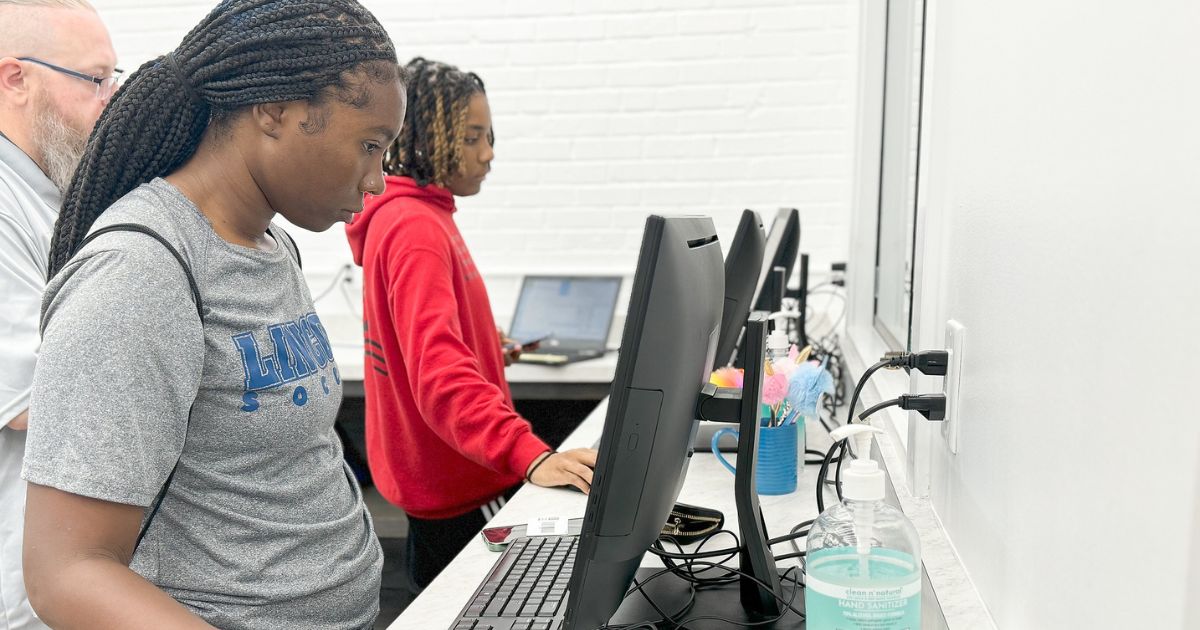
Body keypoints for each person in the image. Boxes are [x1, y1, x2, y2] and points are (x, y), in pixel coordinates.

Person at [20, 1, 404, 628]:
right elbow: (67, 573)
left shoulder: (272, 245)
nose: (377, 180)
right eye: (369, 145)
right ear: (275, 111)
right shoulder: (140, 272)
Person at [345, 57, 597, 590]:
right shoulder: (414, 228)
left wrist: (484, 345)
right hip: (458, 491)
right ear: (425, 136)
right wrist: (530, 455)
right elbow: (438, 374)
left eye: (491, 136)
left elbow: (422, 343)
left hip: (444, 483)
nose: (488, 153)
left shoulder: (419, 216)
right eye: (472, 137)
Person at [0, 1, 117, 628]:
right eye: (93, 79)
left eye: (114, 78)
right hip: (23, 585)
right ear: (15, 79)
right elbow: (31, 401)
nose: (112, 98)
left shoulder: (54, 188)